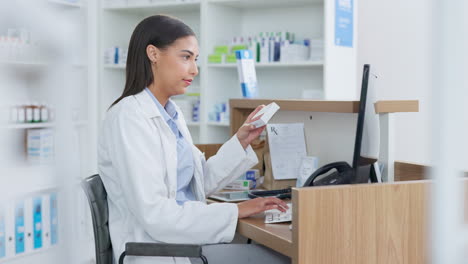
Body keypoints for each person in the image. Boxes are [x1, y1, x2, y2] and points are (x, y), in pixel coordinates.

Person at [98, 15, 290, 264]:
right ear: (153, 54)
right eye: (186, 57)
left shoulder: (171, 114)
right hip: (158, 253)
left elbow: (198, 182)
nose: (194, 70)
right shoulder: (129, 118)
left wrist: (241, 141)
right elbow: (155, 214)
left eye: (195, 59)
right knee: (282, 259)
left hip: (182, 243)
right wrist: (235, 211)